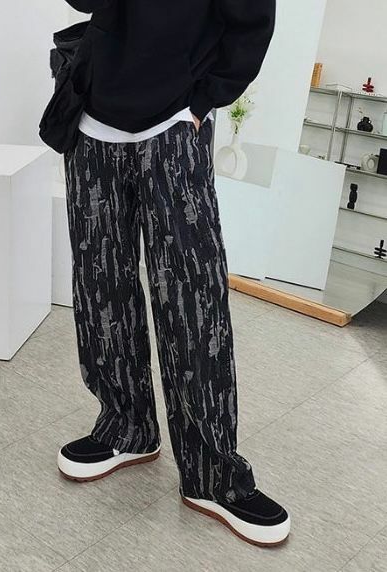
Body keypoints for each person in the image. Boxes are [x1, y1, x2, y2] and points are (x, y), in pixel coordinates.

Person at [58, 0, 290, 547]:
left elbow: (252, 21)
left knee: (192, 301)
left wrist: (204, 100)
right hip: (94, 119)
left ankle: (212, 473)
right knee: (100, 291)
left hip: (173, 124)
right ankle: (126, 427)